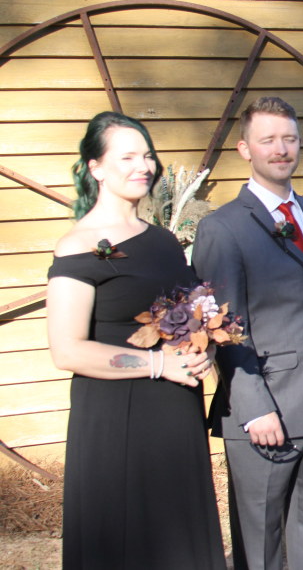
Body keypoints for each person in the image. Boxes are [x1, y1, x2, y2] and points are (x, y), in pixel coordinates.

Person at [46, 111, 224, 569]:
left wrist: (203, 351)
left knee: (178, 541)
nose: (143, 166)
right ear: (96, 167)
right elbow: (66, 349)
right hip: (118, 419)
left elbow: (191, 316)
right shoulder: (77, 246)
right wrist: (159, 365)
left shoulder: (163, 241)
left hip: (175, 414)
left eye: (146, 155)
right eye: (126, 157)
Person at [192, 97, 303, 570]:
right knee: (260, 548)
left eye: (289, 139)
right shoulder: (222, 229)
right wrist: (254, 406)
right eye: (268, 140)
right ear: (245, 149)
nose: (281, 149)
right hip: (266, 411)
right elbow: (223, 328)